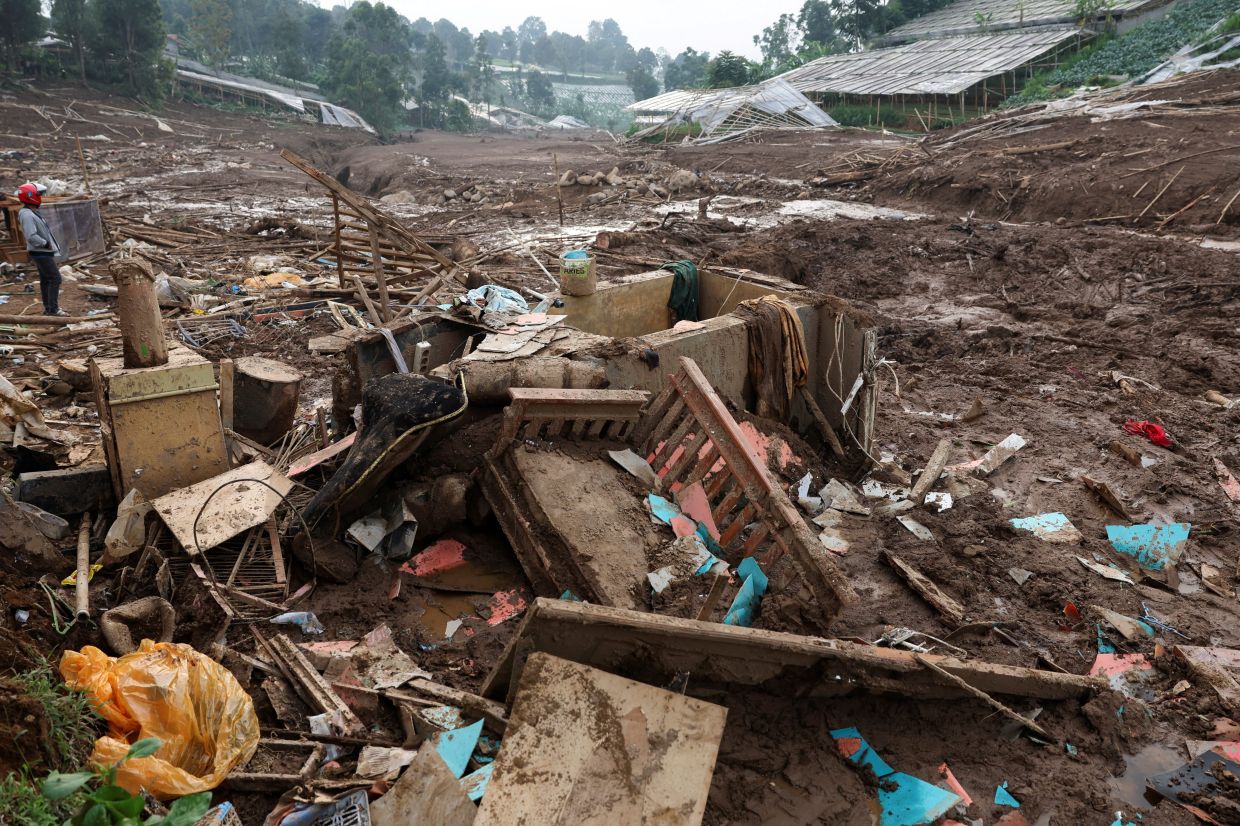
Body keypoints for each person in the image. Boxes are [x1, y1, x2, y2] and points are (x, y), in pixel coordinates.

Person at [16, 183, 67, 316]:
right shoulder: (27, 214)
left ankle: (49, 308)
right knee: (55, 278)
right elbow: (31, 235)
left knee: (46, 279)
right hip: (40, 252)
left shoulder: (30, 212)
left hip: (41, 252)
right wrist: (45, 243)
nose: (41, 198)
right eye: (39, 195)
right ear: (31, 196)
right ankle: (53, 310)